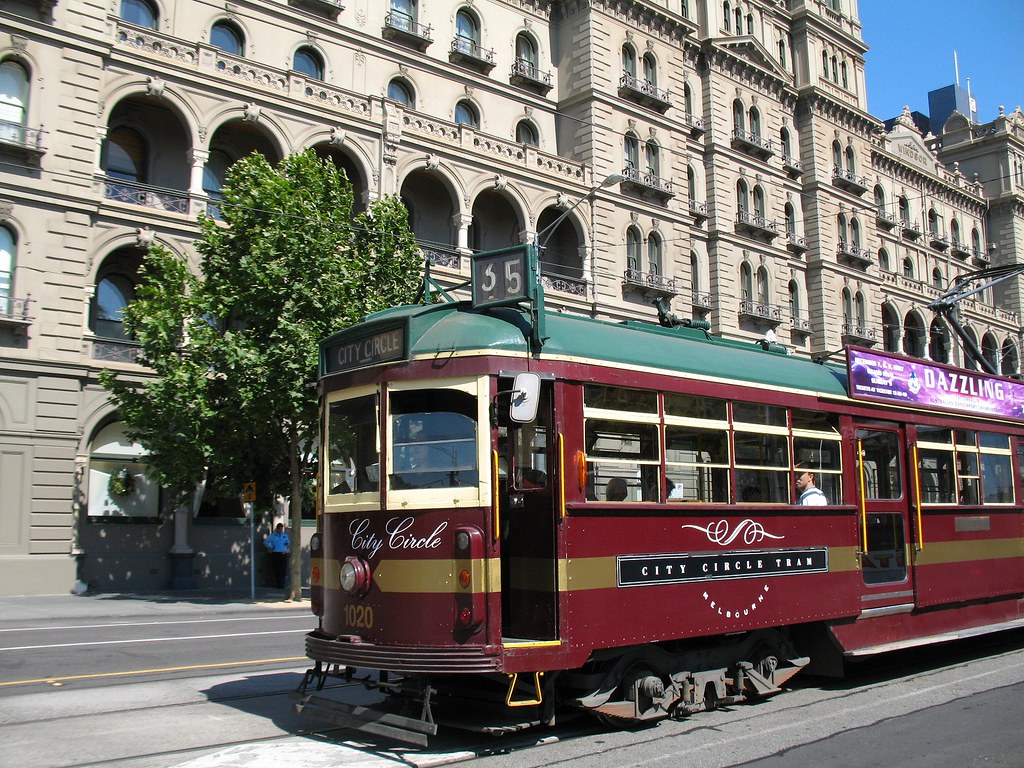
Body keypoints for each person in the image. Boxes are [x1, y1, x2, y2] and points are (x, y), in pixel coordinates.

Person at [263, 522, 290, 589]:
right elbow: (265, 542)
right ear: (277, 529)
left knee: (283, 569)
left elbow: (288, 541)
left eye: (281, 529)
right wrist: (271, 546)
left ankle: (282, 584)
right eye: (279, 529)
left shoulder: (284, 535)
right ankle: (278, 583)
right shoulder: (273, 536)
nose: (280, 530)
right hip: (276, 553)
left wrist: (287, 543)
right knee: (277, 569)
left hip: (283, 553)